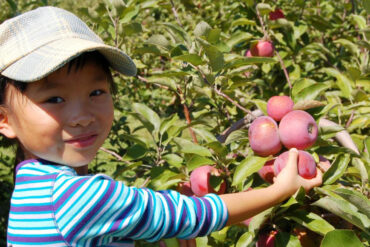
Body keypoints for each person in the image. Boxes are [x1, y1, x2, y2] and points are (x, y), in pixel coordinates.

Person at [0, 6, 322, 247]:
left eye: (96, 92)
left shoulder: (32, 188)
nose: (82, 115)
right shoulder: (77, 197)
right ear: (5, 120)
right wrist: (279, 191)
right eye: (55, 99)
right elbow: (194, 217)